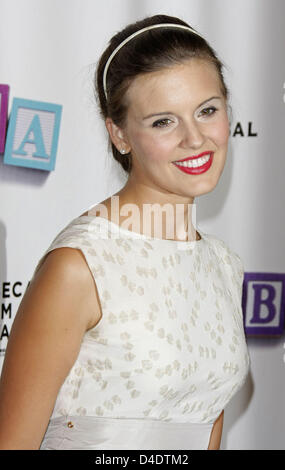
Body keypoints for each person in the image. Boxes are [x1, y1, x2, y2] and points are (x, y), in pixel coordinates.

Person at [0, 14, 250, 450]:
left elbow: (206, 418)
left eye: (207, 110)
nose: (196, 139)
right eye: (163, 122)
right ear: (119, 135)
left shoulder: (223, 266)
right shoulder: (81, 266)